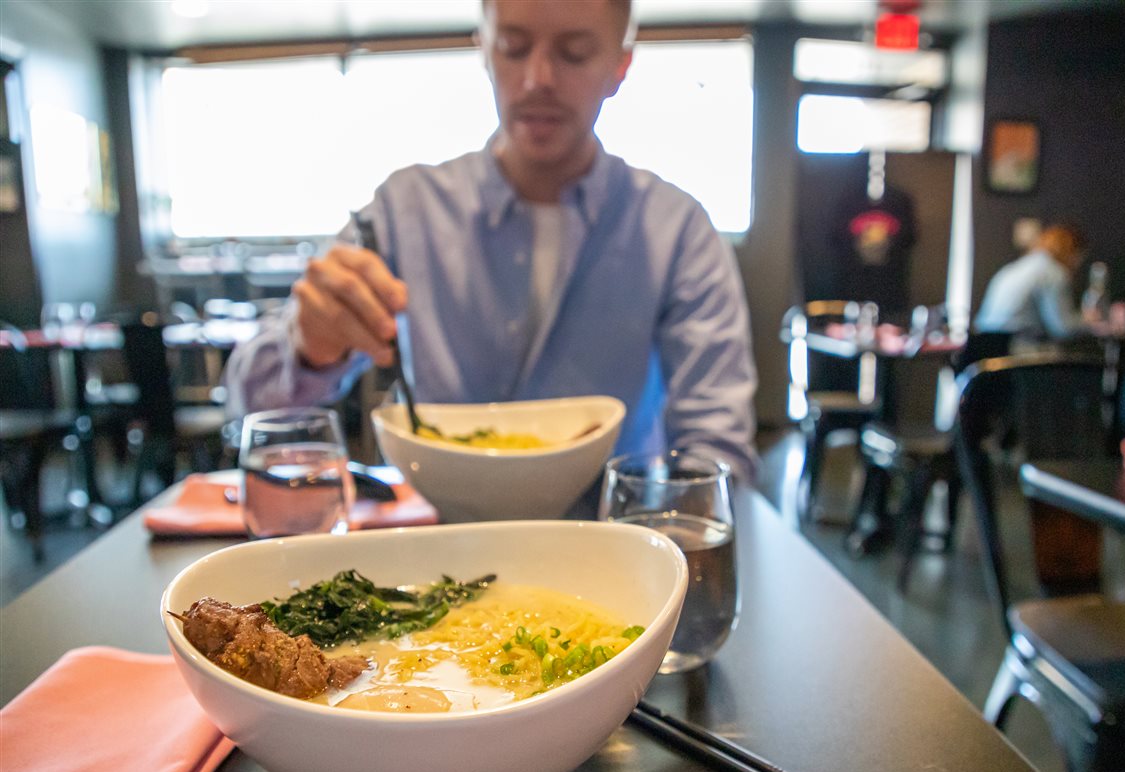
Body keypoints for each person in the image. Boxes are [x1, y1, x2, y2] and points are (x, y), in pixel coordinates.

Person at [224, 0, 758, 480]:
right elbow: (250, 404)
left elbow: (718, 448)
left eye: (573, 53)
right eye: (513, 48)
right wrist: (310, 346)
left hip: (613, 550)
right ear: (483, 49)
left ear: (620, 66)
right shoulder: (405, 210)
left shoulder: (676, 230)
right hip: (429, 559)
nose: (537, 79)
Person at [973, 224, 1092, 340]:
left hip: (983, 346)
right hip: (1014, 348)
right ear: (1073, 253)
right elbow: (1062, 328)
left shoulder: (1020, 266)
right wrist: (1089, 321)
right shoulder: (1053, 271)